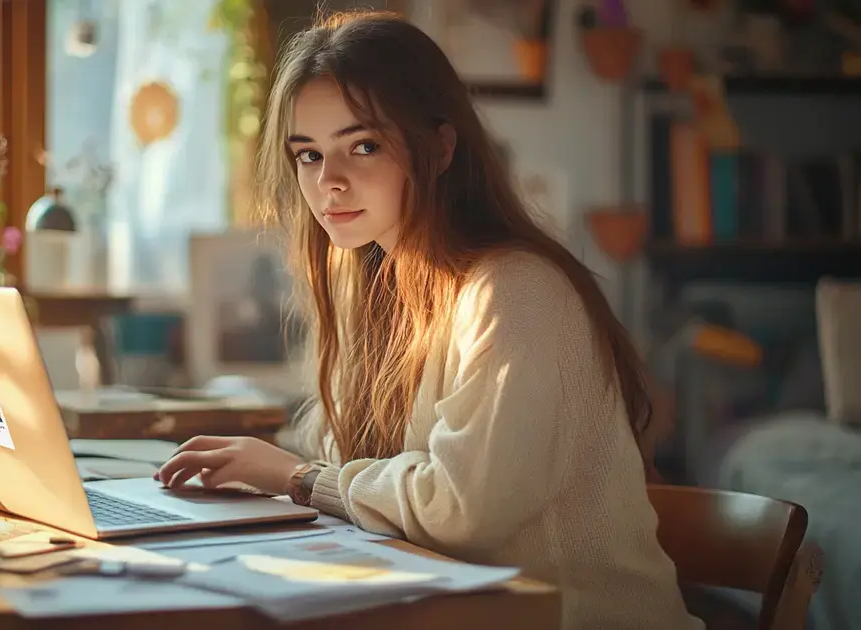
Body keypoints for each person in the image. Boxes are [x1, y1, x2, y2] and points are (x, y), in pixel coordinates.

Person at [156, 10, 701, 630]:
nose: (328, 182)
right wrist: (247, 470)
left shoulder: (514, 291)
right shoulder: (377, 283)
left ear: (441, 148)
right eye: (308, 155)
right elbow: (340, 453)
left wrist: (299, 479)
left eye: (363, 146)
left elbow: (464, 507)